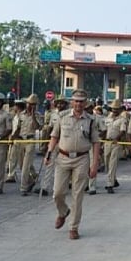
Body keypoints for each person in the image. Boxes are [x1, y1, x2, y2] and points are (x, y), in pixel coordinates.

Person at [43, 89, 101, 240]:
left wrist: (94, 164)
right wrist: (49, 153)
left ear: (85, 103)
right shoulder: (62, 117)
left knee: (77, 195)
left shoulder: (91, 120)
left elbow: (95, 143)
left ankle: (73, 227)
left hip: (82, 160)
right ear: (71, 102)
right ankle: (63, 212)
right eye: (76, 101)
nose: (78, 104)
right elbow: (54, 136)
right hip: (63, 157)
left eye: (81, 101)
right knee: (58, 192)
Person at [103, 99, 128, 194]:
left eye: (117, 109)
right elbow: (104, 130)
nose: (115, 111)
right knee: (106, 163)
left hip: (116, 143)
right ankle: (114, 179)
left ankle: (109, 184)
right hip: (107, 142)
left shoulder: (122, 119)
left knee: (112, 164)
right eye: (113, 109)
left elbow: (122, 131)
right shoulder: (107, 118)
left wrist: (117, 138)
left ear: (120, 110)